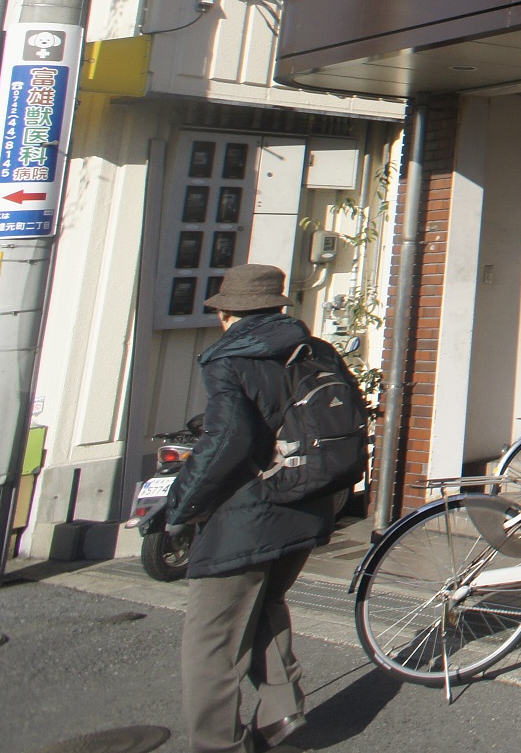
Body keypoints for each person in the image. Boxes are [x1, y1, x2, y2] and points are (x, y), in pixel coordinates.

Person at [142, 263, 343, 752]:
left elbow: (227, 439)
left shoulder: (231, 359)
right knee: (264, 605)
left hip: (249, 512)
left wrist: (180, 505)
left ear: (227, 314)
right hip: (310, 499)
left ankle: (218, 744)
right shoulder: (316, 351)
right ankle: (281, 712)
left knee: (211, 639)